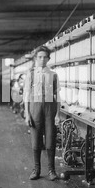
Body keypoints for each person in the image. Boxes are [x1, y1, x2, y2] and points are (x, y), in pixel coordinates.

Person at [23, 46, 61, 181]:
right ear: (35, 58)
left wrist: (57, 114)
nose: (42, 59)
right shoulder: (31, 74)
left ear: (48, 59)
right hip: (35, 109)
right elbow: (26, 96)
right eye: (39, 57)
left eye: (45, 57)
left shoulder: (53, 75)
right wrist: (27, 114)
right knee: (36, 141)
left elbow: (57, 97)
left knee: (50, 141)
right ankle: (36, 170)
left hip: (50, 110)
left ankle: (52, 170)